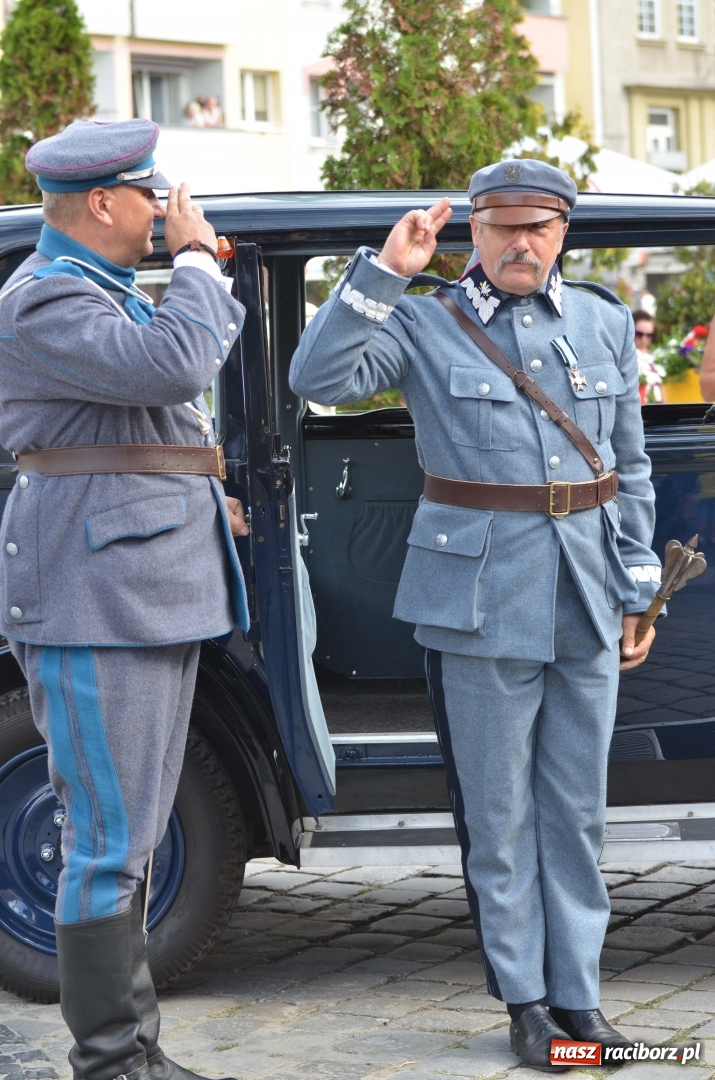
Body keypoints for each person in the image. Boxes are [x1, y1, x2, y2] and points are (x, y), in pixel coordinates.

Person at [289, 159, 661, 1072]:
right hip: (479, 600)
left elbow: (629, 466)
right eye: (501, 227)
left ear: (562, 232)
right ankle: (525, 1002)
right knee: (496, 817)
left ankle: (580, 996)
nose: (520, 243)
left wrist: (638, 586)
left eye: (537, 227)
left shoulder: (603, 322)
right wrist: (384, 270)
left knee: (574, 811)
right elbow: (317, 373)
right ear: (475, 233)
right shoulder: (421, 317)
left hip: (585, 594)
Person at [0, 118, 249, 1080]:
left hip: (137, 590)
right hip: (94, 597)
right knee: (106, 839)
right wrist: (196, 263)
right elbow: (175, 368)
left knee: (131, 836)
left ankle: (134, 1049)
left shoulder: (95, 291)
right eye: (151, 194)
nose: (166, 209)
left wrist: (197, 496)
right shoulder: (44, 298)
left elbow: (147, 418)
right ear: (101, 202)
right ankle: (109, 1061)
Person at [632, 308, 664, 403]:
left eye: (649, 335)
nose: (644, 339)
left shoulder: (656, 357)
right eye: (639, 334)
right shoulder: (623, 358)